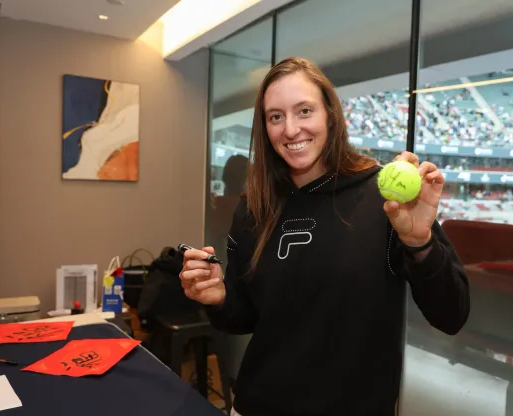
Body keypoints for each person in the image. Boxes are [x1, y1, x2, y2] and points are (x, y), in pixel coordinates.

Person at [179, 57, 470, 416]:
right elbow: (245, 320)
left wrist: (420, 243)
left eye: (304, 111)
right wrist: (219, 298)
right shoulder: (253, 209)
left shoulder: (386, 200)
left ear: (330, 115)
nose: (290, 129)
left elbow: (452, 315)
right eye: (275, 116)